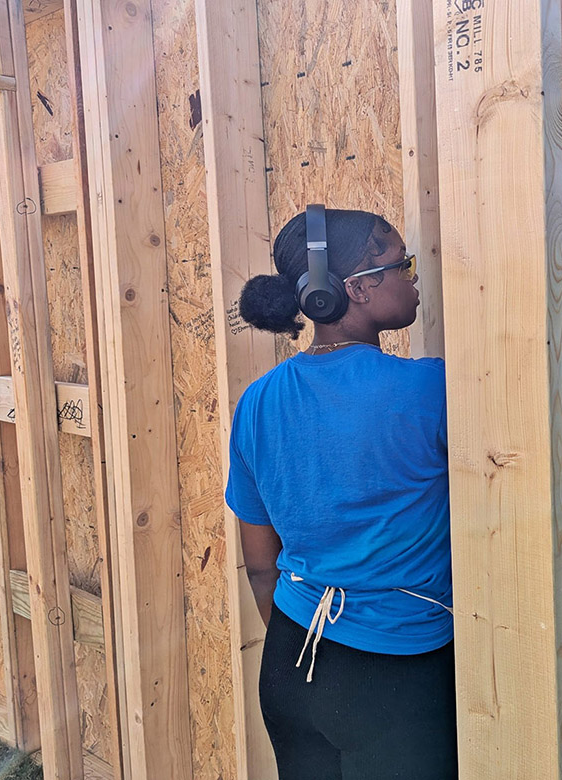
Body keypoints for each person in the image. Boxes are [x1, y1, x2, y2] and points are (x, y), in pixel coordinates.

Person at [225, 207, 456, 779]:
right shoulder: (431, 391)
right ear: (353, 288)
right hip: (396, 675)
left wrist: (304, 634)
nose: (413, 276)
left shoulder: (257, 401)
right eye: (401, 263)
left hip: (291, 660)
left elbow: (261, 566)